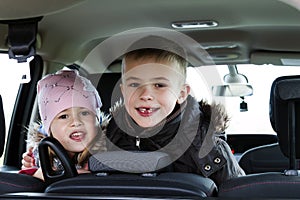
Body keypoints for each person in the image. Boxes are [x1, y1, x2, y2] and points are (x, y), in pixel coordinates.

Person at [105, 35, 245, 186]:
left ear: (181, 94)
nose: (145, 95)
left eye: (159, 85)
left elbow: (238, 192)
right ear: (123, 91)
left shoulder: (207, 147)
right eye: (134, 84)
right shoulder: (109, 137)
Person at [19, 69, 108, 181]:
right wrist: (37, 173)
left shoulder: (110, 152)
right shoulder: (40, 157)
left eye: (84, 113)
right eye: (64, 116)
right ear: (49, 128)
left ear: (97, 121)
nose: (76, 122)